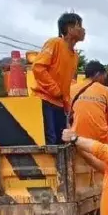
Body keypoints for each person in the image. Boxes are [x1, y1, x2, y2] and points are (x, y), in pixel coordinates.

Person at [31, 12, 84, 145]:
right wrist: (54, 90)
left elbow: (67, 83)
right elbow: (38, 67)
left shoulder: (75, 56)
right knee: (51, 140)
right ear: (69, 29)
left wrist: (68, 105)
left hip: (60, 104)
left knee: (61, 142)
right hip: (45, 100)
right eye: (80, 26)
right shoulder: (54, 43)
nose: (83, 30)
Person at [70, 61, 108, 146]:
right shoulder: (106, 91)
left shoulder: (72, 89)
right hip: (99, 139)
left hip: (76, 137)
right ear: (98, 74)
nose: (104, 79)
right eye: (104, 76)